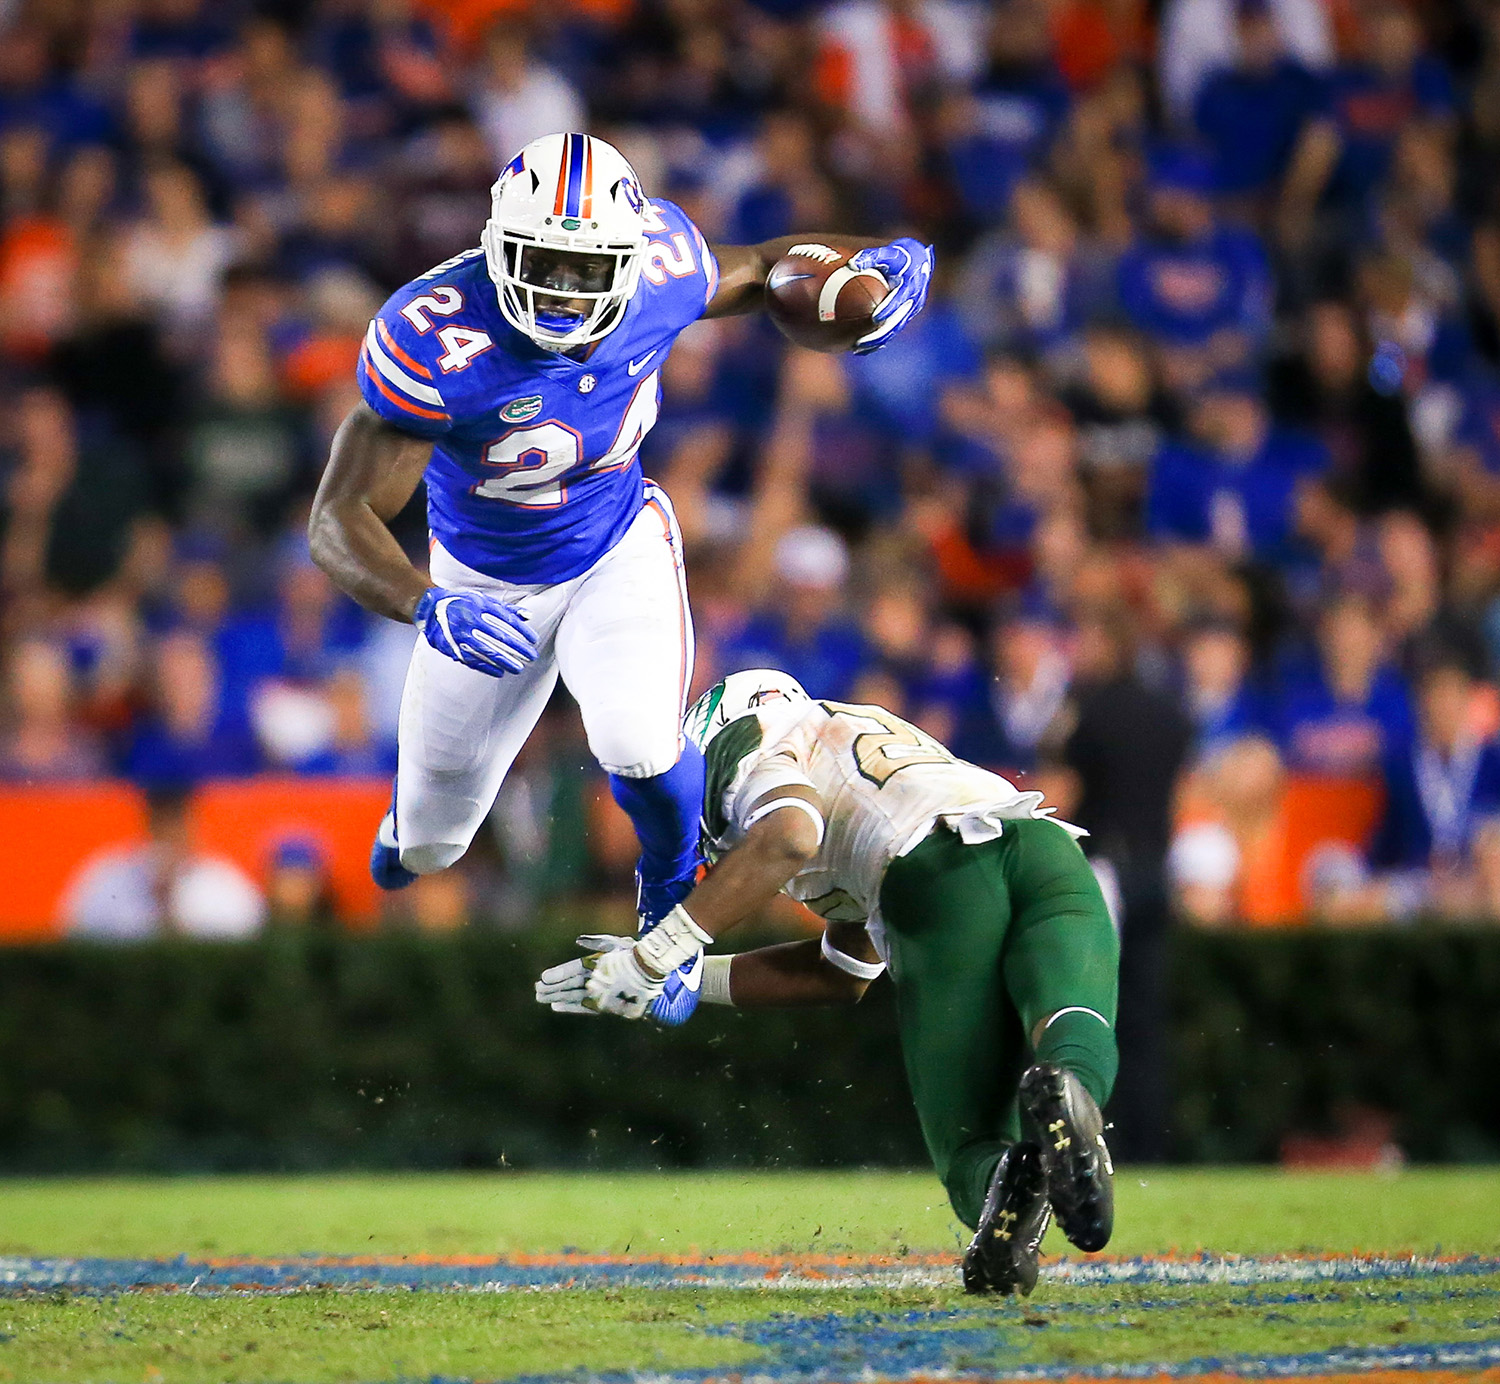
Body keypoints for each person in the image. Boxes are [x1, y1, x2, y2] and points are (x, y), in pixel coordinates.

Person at [307, 132, 934, 942]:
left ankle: (670, 880)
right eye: (544, 263)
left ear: (630, 260)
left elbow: (768, 264)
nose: (565, 293)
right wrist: (424, 603)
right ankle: (411, 824)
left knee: (637, 743)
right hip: (483, 581)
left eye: (588, 269)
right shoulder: (437, 341)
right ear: (497, 248)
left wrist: (877, 261)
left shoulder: (664, 268)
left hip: (616, 539)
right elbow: (338, 517)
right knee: (432, 842)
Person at [535, 669, 1119, 1297]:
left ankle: (1009, 1189)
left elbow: (790, 835)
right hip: (1046, 848)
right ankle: (1071, 1102)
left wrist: (660, 955)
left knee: (968, 1146)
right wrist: (691, 980)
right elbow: (844, 969)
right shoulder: (850, 732)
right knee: (1069, 1025)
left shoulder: (745, 745)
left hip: (942, 882)